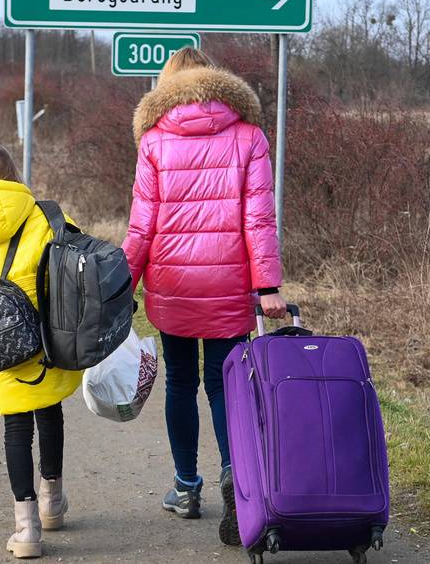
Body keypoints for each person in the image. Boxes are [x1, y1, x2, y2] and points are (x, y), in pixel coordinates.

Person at [122, 47, 286, 545]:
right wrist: (269, 286)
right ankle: (238, 481)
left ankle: (186, 488)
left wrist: (121, 284)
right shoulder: (249, 135)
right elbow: (259, 218)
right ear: (217, 81)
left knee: (179, 384)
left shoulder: (154, 140)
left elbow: (142, 223)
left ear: (168, 86)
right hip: (230, 284)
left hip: (173, 284)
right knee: (223, 384)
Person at [0, 144, 81, 559]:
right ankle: (52, 503)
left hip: (0, 338)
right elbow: (71, 256)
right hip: (44, 336)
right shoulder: (42, 215)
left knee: (15, 428)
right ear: (12, 174)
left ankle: (26, 531)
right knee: (49, 411)